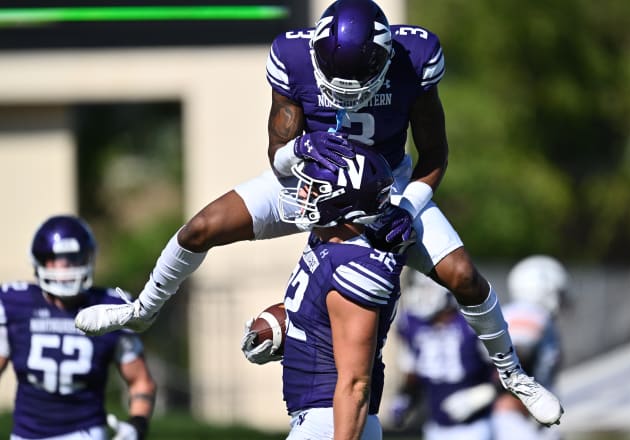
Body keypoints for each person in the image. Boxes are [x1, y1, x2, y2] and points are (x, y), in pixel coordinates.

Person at [74, 0, 562, 427]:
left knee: (463, 277)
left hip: (384, 192)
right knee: (201, 227)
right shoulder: (292, 54)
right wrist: (301, 147)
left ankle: (514, 374)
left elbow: (435, 155)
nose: (345, 92)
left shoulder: (414, 58)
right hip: (308, 183)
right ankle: (141, 311)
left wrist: (407, 207)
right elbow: (277, 152)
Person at [243, 144, 406, 440]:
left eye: (314, 188)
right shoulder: (328, 243)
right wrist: (292, 329)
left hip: (333, 419)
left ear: (343, 200)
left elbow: (356, 382)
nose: (302, 193)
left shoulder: (354, 266)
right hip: (319, 416)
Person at [0, 215, 156, 440]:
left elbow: (141, 381)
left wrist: (137, 426)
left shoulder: (110, 308)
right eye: (56, 258)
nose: (64, 267)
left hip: (84, 433)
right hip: (26, 434)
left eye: (72, 258)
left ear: (87, 259)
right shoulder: (15, 304)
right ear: (40, 261)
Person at [388, 270, 497, 440]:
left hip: (477, 424)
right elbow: (413, 372)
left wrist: (483, 394)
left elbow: (506, 369)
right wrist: (405, 397)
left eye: (428, 289)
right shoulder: (410, 324)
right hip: (435, 425)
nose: (422, 294)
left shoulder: (472, 322)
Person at [492, 255, 569, 440]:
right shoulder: (530, 313)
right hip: (516, 419)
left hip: (522, 419)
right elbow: (517, 355)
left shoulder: (516, 311)